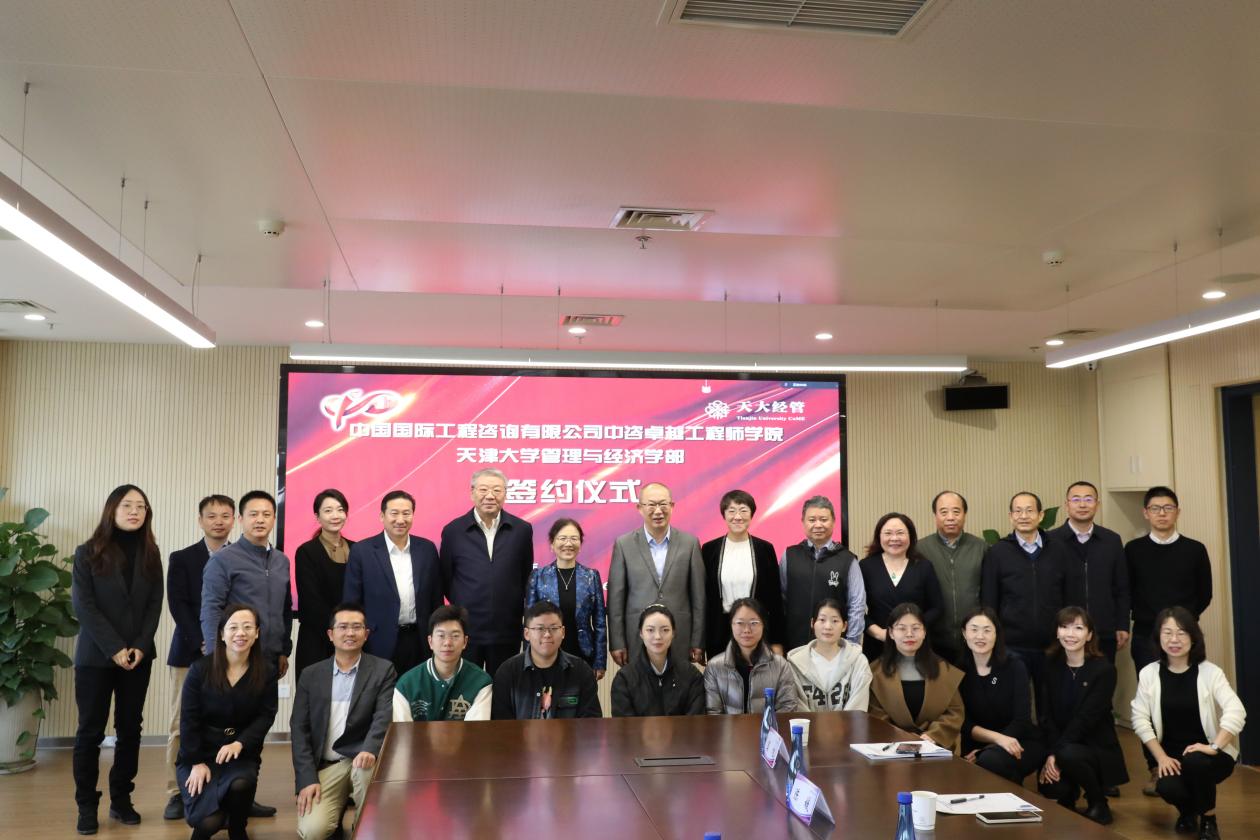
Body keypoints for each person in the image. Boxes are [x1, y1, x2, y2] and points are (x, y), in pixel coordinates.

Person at [71, 484, 164, 835]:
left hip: (138, 657)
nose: (134, 511)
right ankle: (86, 806)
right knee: (90, 732)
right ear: (112, 509)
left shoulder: (151, 553)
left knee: (130, 729)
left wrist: (139, 645)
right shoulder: (87, 552)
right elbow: (84, 606)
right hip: (96, 657)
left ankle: (122, 799)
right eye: (127, 505)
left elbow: (154, 604)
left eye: (141, 506)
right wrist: (114, 648)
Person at [199, 489, 290, 820]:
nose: (260, 520)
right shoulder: (223, 560)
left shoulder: (281, 561)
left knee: (255, 731)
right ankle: (217, 799)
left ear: (274, 519)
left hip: (267, 660)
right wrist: (216, 657)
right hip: (232, 661)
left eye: (266, 514)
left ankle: (244, 797)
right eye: (253, 514)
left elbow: (284, 608)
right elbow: (211, 609)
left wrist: (284, 649)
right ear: (240, 519)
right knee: (225, 731)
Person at [1126, 485, 1213, 796]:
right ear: (1145, 513)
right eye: (1155, 508)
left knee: (1188, 699)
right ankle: (1156, 767)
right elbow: (1126, 591)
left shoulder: (1195, 549)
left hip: (1186, 639)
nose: (1162, 513)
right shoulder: (1133, 550)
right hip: (1146, 636)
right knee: (1151, 703)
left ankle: (1189, 763)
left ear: (1177, 511)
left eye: (1168, 508)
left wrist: (1181, 626)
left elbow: (1205, 593)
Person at [1131, 608, 1245, 840]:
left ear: (1194, 638)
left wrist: (1214, 746)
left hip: (1210, 756)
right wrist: (1161, 758)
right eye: (1167, 633)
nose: (1174, 639)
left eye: (1181, 633)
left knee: (1196, 761)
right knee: (1166, 787)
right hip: (1173, 757)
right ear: (1158, 637)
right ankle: (1188, 811)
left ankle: (1209, 820)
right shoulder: (1149, 674)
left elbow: (1236, 710)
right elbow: (1139, 718)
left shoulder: (1210, 672)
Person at [291, 602, 396, 840]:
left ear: (366, 634)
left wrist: (369, 749)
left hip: (363, 761)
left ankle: (364, 827)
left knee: (365, 771)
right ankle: (336, 812)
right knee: (312, 832)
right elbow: (299, 730)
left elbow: (383, 717)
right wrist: (306, 779)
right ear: (331, 634)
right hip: (328, 766)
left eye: (357, 627)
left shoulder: (382, 670)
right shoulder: (311, 675)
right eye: (343, 627)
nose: (350, 633)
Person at [177, 604, 278, 840]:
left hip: (240, 752)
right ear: (222, 634)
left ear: (257, 633)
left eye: (247, 627)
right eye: (233, 628)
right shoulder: (200, 669)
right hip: (202, 752)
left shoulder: (266, 671)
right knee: (209, 822)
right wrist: (196, 762)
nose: (240, 633)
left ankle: (238, 829)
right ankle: (221, 814)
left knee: (241, 784)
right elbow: (189, 720)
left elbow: (266, 715)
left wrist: (240, 743)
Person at [163, 494, 234, 822]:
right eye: (211, 516)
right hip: (190, 651)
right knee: (181, 723)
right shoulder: (182, 558)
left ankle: (229, 791)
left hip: (232, 653)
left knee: (229, 725)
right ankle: (176, 792)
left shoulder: (242, 556)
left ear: (234, 520)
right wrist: (205, 640)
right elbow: (177, 604)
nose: (218, 521)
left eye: (225, 515)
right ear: (200, 520)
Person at [1037, 606, 1128, 826]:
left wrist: (1056, 754)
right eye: (1064, 627)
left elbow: (1086, 720)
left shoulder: (1104, 670)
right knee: (1050, 787)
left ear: (1089, 635)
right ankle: (1068, 794)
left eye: (1078, 628)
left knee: (1068, 754)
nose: (1070, 634)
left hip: (1095, 748)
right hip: (1062, 744)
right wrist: (1052, 752)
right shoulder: (1049, 666)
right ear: (1057, 632)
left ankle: (1099, 802)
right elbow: (1046, 715)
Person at [440, 469, 535, 676]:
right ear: (472, 492)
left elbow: (525, 576)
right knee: (466, 687)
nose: (490, 496)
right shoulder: (453, 531)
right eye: (483, 489)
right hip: (466, 630)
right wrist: (465, 604)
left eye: (496, 490)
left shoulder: (521, 530)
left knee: (504, 687)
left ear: (505, 493)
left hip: (507, 628)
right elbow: (446, 578)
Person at [980, 490, 1070, 700]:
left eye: (1029, 510)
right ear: (1011, 516)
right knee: (1013, 701)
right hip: (1011, 645)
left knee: (1050, 702)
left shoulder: (1059, 550)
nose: (1023, 516)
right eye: (1018, 511)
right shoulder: (997, 552)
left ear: (1041, 515)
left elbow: (1069, 595)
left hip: (1052, 644)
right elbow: (989, 600)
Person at [344, 490, 441, 676]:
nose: (400, 519)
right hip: (377, 641)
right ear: (382, 516)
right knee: (381, 691)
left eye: (406, 513)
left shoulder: (427, 549)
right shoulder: (362, 551)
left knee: (418, 691)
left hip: (420, 640)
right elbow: (352, 602)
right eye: (394, 513)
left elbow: (436, 599)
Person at [608, 482, 706, 666]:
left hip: (680, 635)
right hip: (637, 636)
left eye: (663, 504)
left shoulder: (690, 543)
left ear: (672, 506)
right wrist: (617, 642)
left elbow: (698, 598)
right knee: (639, 683)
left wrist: (698, 640)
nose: (658, 511)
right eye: (651, 505)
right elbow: (616, 599)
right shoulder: (624, 544)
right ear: (639, 508)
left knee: (679, 683)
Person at [957, 606, 1045, 784]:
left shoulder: (1014, 666)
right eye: (974, 630)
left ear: (996, 634)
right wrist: (996, 740)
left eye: (987, 630)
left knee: (989, 761)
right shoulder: (959, 668)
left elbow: (1022, 719)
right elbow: (963, 721)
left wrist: (992, 746)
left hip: (1020, 739)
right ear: (964, 633)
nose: (980, 636)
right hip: (979, 743)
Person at [1047, 481, 1130, 663]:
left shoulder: (1111, 540)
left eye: (1088, 499)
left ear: (1097, 504)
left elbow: (1121, 587)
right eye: (1076, 499)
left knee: (1103, 678)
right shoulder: (1051, 541)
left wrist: (1122, 624)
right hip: (1064, 633)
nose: (1082, 505)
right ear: (1067, 505)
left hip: (1104, 631)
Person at [868, 602, 965, 751]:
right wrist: (904, 737)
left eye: (916, 628)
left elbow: (955, 712)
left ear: (924, 632)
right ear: (891, 633)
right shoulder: (875, 672)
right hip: (891, 747)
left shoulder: (943, 669)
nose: (909, 634)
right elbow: (875, 714)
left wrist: (932, 736)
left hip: (936, 746)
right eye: (902, 628)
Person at [701, 489, 785, 658]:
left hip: (756, 629)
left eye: (743, 510)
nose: (737, 517)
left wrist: (777, 641)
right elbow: (704, 598)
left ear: (751, 514)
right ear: (724, 515)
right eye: (731, 511)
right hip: (719, 631)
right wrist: (700, 642)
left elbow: (775, 598)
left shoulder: (765, 549)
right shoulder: (709, 549)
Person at [491, 600, 602, 719]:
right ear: (527, 634)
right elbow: (501, 725)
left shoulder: (581, 671)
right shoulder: (507, 673)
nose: (547, 634)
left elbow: (591, 722)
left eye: (554, 628)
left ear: (563, 632)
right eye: (540, 629)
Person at [525, 518, 607, 679]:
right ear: (552, 544)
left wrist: (600, 661)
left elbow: (600, 624)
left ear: (580, 544)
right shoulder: (538, 576)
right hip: (546, 651)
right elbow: (529, 622)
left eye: (574, 538)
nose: (568, 543)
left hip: (583, 653)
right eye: (562, 538)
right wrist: (528, 660)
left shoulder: (591, 576)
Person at [779, 495, 864, 652]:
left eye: (824, 520)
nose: (818, 525)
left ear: (833, 522)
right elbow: (781, 600)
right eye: (812, 520)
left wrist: (852, 646)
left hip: (835, 648)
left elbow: (856, 606)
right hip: (794, 646)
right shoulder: (789, 556)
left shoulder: (848, 560)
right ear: (803, 522)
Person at [860, 512, 944, 661]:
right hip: (878, 644)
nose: (894, 538)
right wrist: (878, 633)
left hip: (916, 645)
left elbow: (936, 608)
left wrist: (914, 629)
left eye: (900, 533)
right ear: (879, 536)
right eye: (888, 533)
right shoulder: (866, 566)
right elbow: (856, 609)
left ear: (911, 536)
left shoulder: (924, 566)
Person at [915, 490, 985, 663]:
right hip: (934, 641)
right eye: (944, 512)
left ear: (965, 514)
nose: (950, 517)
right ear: (935, 515)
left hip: (974, 639)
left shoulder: (981, 548)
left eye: (956, 511)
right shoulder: (920, 549)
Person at [293, 489, 355, 679]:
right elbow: (311, 600)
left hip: (352, 638)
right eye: (328, 510)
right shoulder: (306, 552)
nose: (335, 515)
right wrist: (337, 632)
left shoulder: (358, 549)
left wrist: (350, 631)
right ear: (317, 517)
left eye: (340, 510)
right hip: (317, 639)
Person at [393, 605, 493, 722]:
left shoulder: (481, 682)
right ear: (430, 641)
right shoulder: (406, 684)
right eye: (441, 635)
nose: (447, 643)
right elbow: (403, 731)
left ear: (465, 642)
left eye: (455, 636)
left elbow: (476, 730)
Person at [704, 597, 801, 715]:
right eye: (740, 623)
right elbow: (713, 712)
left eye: (754, 623)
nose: (747, 630)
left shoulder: (780, 665)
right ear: (731, 625)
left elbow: (788, 707)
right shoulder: (714, 666)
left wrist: (767, 726)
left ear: (763, 625)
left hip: (769, 727)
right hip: (728, 727)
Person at [611, 604, 706, 717]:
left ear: (673, 633)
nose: (657, 636)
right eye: (650, 630)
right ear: (641, 633)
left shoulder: (692, 676)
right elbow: (623, 724)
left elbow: (695, 721)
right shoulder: (624, 679)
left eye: (665, 630)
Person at [786, 598, 871, 712]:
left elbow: (857, 708)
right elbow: (797, 706)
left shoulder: (858, 662)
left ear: (844, 626)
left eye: (835, 621)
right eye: (822, 620)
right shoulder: (795, 663)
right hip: (808, 724)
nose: (828, 626)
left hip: (847, 724)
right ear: (812, 623)